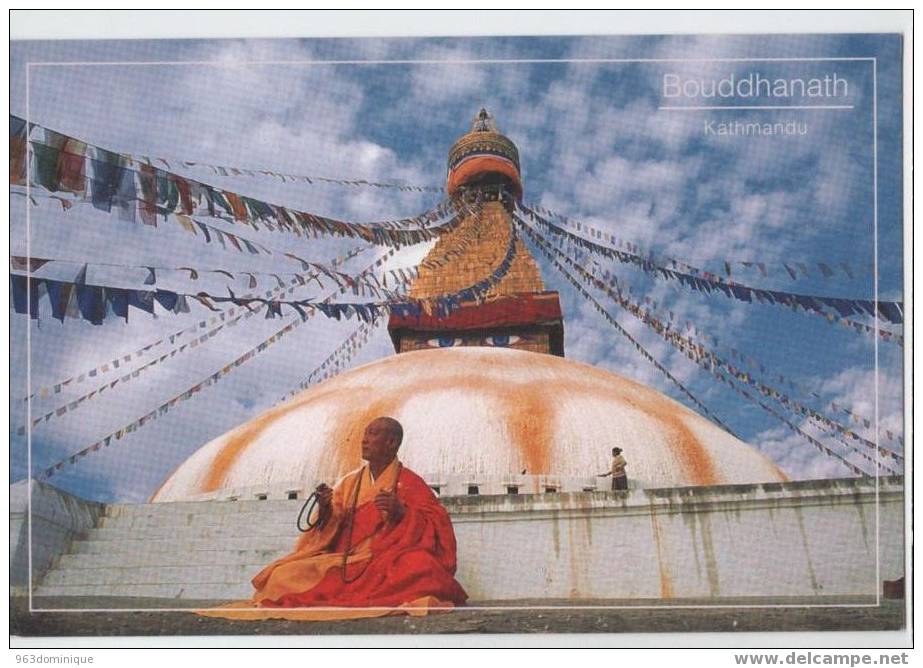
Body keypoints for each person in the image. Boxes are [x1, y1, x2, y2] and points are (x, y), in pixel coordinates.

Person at [199, 417, 468, 621]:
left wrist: (402, 513)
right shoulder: (350, 482)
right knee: (282, 575)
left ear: (392, 442)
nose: (364, 440)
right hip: (344, 559)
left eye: (373, 435)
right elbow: (330, 529)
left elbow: (436, 523)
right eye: (364, 435)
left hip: (384, 558)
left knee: (420, 567)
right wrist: (327, 508)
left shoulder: (410, 482)